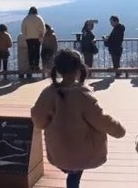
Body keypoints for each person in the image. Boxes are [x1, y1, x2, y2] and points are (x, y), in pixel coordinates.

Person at [31, 49, 126, 188]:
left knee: (71, 171)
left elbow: (38, 118)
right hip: (82, 152)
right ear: (78, 69)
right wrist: (120, 130)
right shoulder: (83, 96)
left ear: (57, 69)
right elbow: (101, 120)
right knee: (75, 169)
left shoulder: (49, 93)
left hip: (58, 151)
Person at [21, 6, 46, 71]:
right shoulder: (39, 18)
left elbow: (23, 29)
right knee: (37, 51)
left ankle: (31, 65)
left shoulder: (26, 19)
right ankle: (36, 65)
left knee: (30, 51)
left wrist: (24, 36)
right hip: (37, 38)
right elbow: (43, 29)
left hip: (29, 38)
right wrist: (41, 36)